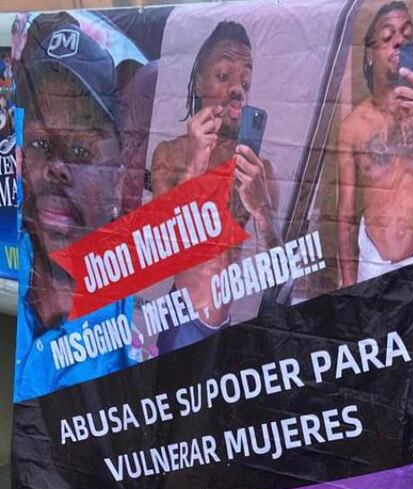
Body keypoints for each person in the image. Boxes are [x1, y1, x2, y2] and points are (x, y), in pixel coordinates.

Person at [14, 14, 139, 403]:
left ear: (119, 181)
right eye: (39, 143)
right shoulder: (8, 261)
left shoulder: (143, 320)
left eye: (81, 150)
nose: (56, 166)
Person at [150, 20, 276, 354]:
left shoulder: (260, 171)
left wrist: (262, 212)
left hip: (224, 326)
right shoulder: (170, 155)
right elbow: (162, 252)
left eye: (245, 79)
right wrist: (194, 166)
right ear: (199, 81)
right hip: (181, 322)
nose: (238, 88)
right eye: (224, 76)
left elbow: (275, 273)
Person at [337, 0, 413, 286]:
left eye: (407, 35)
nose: (399, 43)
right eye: (388, 37)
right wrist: (346, 281)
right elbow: (343, 215)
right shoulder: (353, 126)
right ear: (369, 54)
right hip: (372, 262)